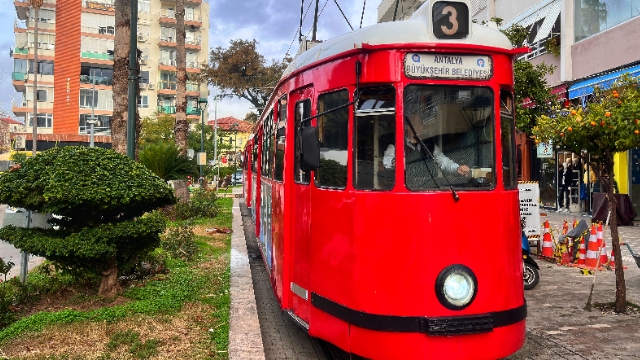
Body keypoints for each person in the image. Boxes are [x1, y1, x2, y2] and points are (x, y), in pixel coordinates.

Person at [382, 115, 470, 176]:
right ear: (408, 126)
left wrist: (457, 168)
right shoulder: (396, 145)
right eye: (416, 123)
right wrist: (394, 162)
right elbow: (387, 161)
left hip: (427, 187)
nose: (420, 126)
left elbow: (444, 162)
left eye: (421, 123)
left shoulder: (429, 144)